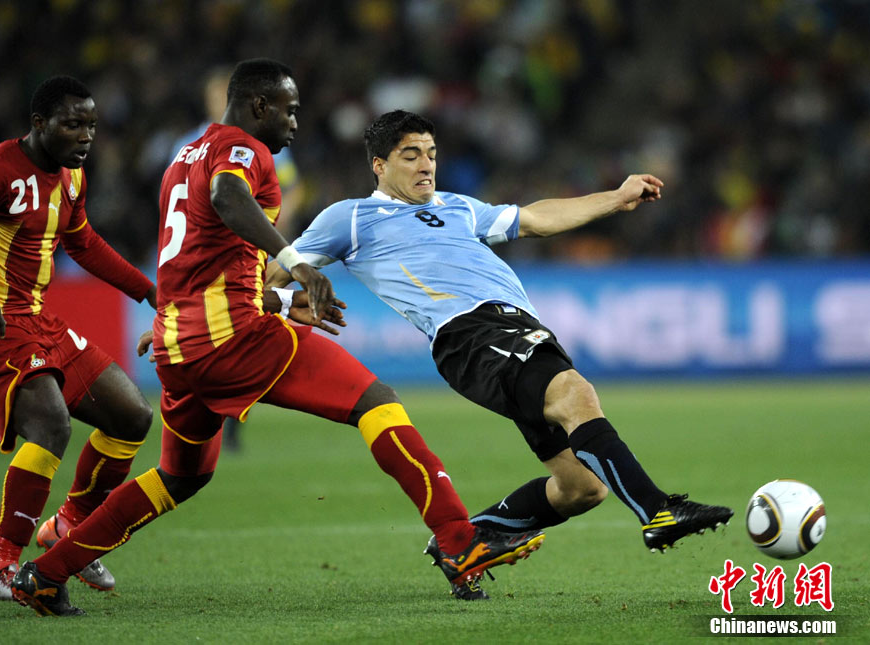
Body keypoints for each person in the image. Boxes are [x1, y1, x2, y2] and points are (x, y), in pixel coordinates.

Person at [10, 60, 544, 617]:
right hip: (235, 340)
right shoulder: (244, 150)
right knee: (377, 404)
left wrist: (278, 302)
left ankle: (45, 573)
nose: (294, 122)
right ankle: (459, 539)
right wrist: (297, 264)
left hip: (180, 345)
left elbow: (201, 260)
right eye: (288, 110)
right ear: (259, 106)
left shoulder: (183, 157)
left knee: (179, 477)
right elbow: (227, 197)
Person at [267, 110, 735, 599]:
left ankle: (461, 541)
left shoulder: (457, 206)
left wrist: (616, 198)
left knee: (581, 489)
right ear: (379, 165)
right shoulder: (350, 217)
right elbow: (274, 272)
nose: (426, 165)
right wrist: (278, 301)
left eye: (431, 154)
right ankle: (658, 512)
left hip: (517, 329)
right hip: (469, 332)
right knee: (575, 394)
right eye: (411, 156)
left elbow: (534, 219)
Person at [0, 76, 156, 602]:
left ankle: (67, 526)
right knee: (52, 425)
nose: (85, 137)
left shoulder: (72, 176)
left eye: (91, 126)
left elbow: (83, 243)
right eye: (73, 124)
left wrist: (148, 290)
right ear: (39, 124)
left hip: (38, 320)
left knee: (132, 416)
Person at [168, 66, 306, 453]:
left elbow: (294, 189)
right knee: (229, 329)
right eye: (214, 97)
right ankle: (215, 413)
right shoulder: (202, 143)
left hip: (248, 251)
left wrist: (275, 224)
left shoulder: (202, 145)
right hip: (207, 258)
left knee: (242, 326)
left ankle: (226, 419)